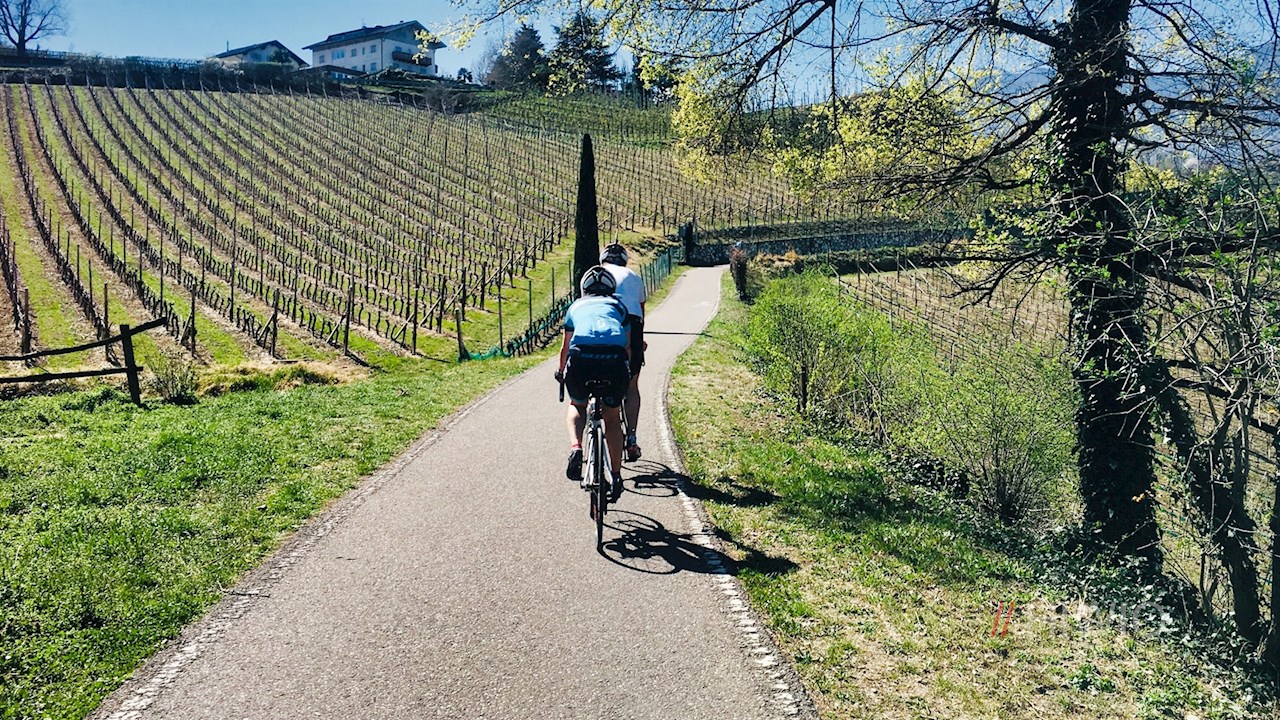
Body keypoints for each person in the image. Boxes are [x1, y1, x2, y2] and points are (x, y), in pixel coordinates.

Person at [556, 265, 631, 500]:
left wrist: (560, 372)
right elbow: (627, 346)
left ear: (583, 289)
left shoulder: (575, 307)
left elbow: (566, 347)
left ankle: (577, 448)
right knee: (611, 416)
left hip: (581, 360)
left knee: (577, 405)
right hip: (614, 361)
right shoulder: (619, 306)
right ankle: (616, 476)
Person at [599, 243, 646, 461]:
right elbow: (641, 314)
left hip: (601, 327)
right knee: (631, 386)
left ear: (603, 260)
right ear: (624, 261)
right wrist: (640, 343)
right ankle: (632, 439)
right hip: (631, 327)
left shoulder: (595, 274)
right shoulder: (634, 277)